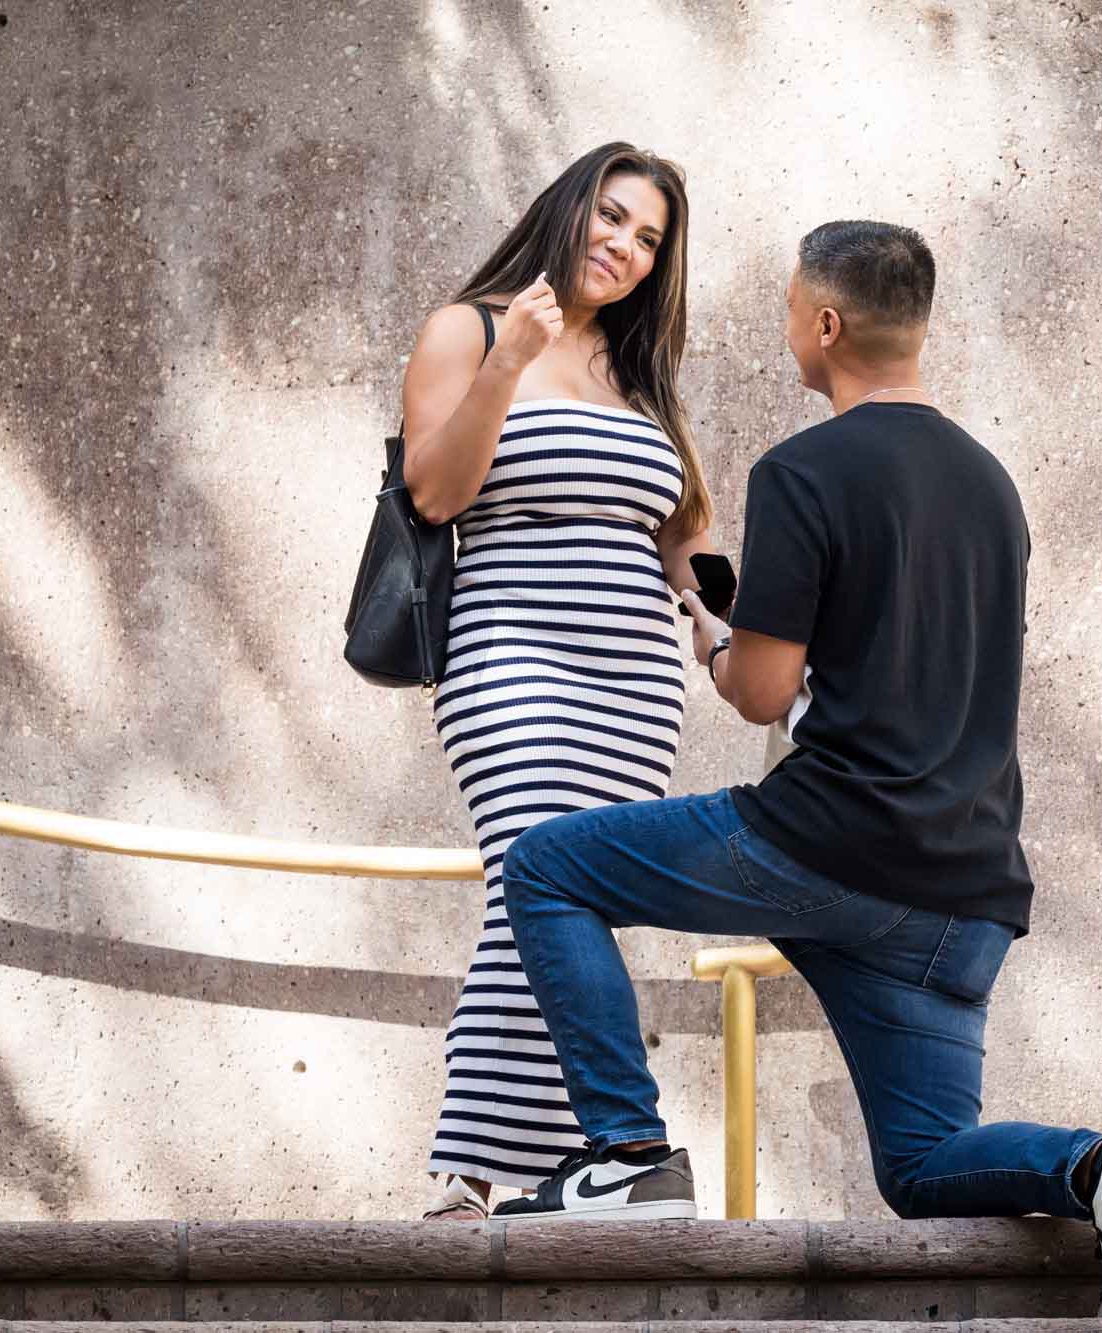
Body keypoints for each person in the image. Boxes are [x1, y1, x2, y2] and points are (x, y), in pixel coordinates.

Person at [490, 221, 1102, 1318]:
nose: (787, 330)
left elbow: (764, 693)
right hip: (960, 894)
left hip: (823, 843)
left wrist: (709, 628)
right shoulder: (990, 486)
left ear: (823, 323)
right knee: (920, 1163)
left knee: (546, 868)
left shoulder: (803, 470)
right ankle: (1099, 1166)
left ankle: (625, 1152)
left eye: (786, 310)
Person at [396, 142, 717, 1221]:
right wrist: (507, 360)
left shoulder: (636, 375)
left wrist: (722, 633)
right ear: (571, 206)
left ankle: (558, 1168)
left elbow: (679, 540)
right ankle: (480, 1168)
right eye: (614, 218)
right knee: (527, 872)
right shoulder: (469, 328)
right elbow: (434, 493)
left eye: (649, 239)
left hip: (634, 679)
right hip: (510, 657)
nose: (624, 247)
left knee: (563, 904)